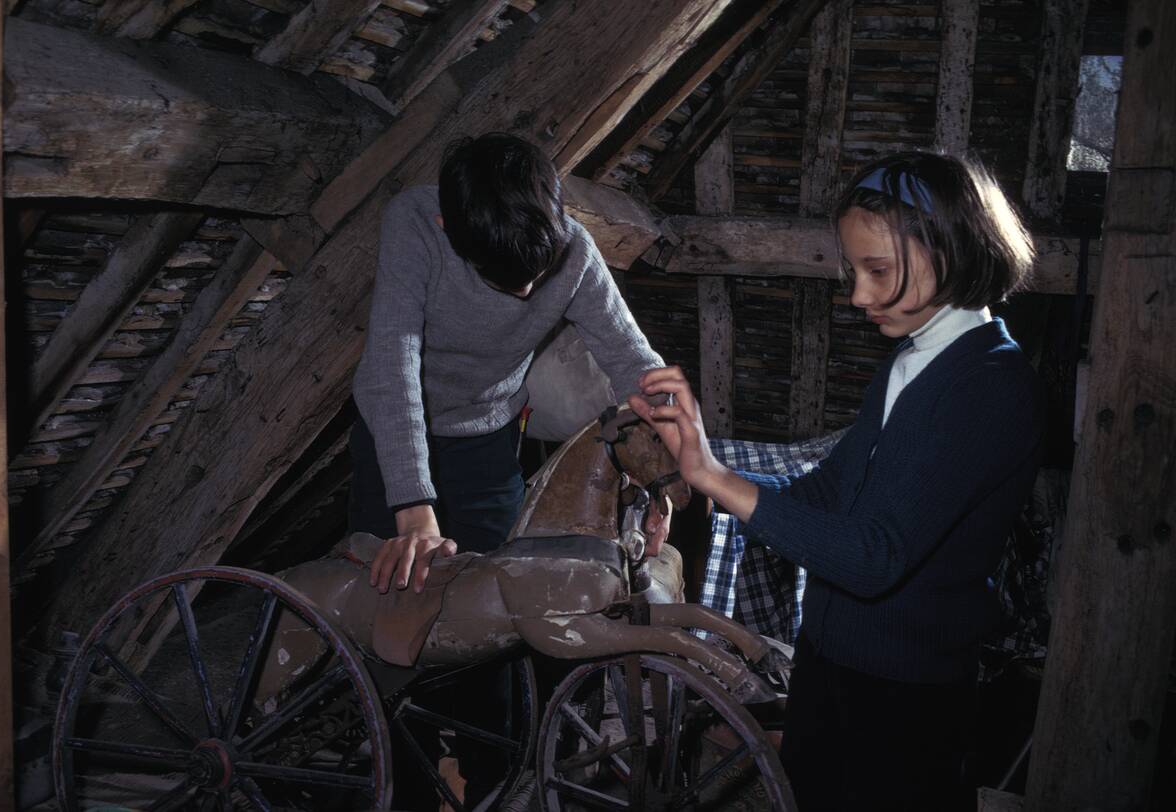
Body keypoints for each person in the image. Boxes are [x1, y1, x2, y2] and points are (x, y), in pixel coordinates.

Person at [629, 151, 1044, 811]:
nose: (859, 296)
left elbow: (874, 557)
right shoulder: (911, 360)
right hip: (832, 662)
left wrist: (714, 475)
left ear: (952, 250)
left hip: (904, 695)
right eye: (855, 272)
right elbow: (827, 493)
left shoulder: (990, 385)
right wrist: (702, 468)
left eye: (879, 271)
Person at [351, 132, 667, 594]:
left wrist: (663, 474)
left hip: (488, 440)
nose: (527, 292)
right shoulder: (414, 223)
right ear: (446, 227)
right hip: (391, 434)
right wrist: (414, 508)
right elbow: (394, 367)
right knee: (387, 592)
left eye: (540, 273)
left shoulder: (575, 251)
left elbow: (636, 363)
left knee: (499, 590)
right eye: (503, 279)